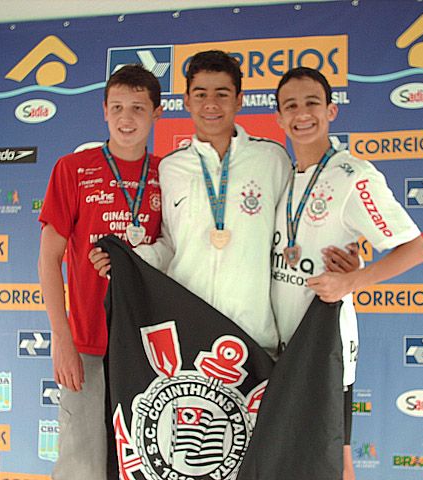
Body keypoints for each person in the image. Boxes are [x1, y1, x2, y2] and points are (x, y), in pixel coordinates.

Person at [271, 67, 423, 479]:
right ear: (278, 118)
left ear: (331, 111)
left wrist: (351, 281)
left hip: (324, 347)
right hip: (276, 346)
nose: (302, 114)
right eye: (291, 106)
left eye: (312, 103)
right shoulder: (284, 176)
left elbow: (416, 248)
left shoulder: (353, 175)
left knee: (334, 465)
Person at [92, 50, 292, 356]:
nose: (210, 104)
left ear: (239, 100)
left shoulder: (271, 159)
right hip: (189, 333)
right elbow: (170, 245)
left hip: (255, 335)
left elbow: (290, 235)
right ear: (186, 102)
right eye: (200, 94)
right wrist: (126, 260)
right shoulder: (171, 168)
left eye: (222, 94)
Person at [38, 64, 163, 479]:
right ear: (104, 111)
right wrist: (62, 338)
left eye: (138, 108)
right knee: (82, 464)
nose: (126, 118)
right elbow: (47, 259)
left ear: (157, 113)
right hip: (88, 344)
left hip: (153, 348)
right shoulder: (72, 170)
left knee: (150, 458)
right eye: (117, 107)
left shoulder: (171, 174)